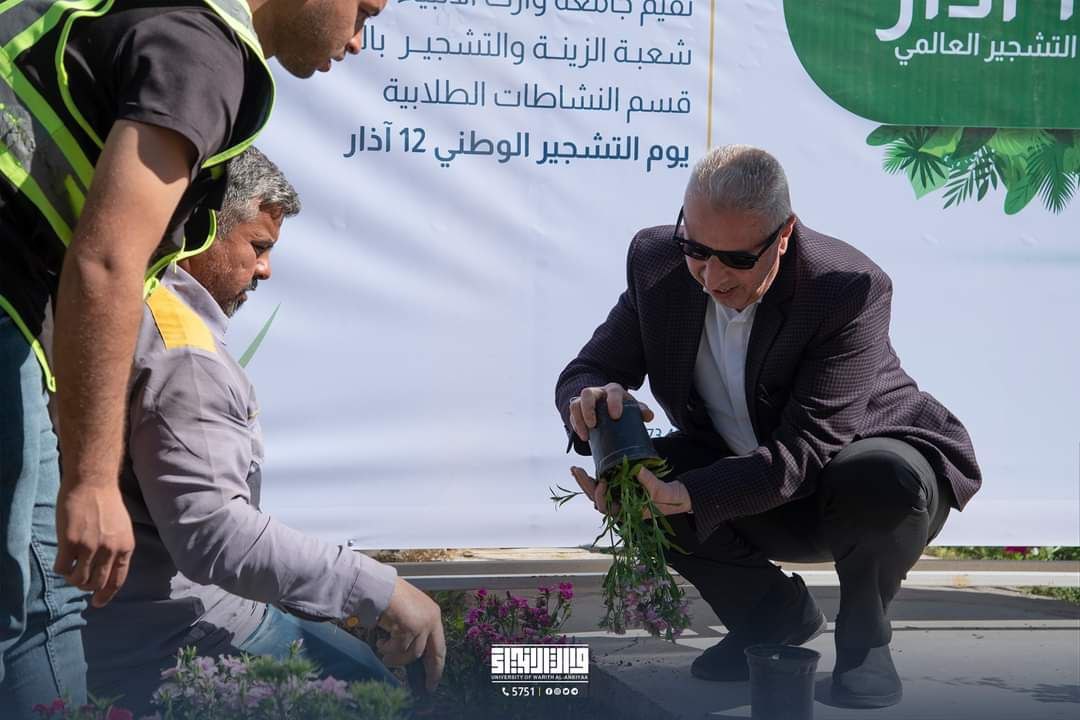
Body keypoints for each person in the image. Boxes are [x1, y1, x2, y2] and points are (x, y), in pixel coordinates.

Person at [0, 0, 443, 712]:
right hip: (173, 641)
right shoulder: (204, 46)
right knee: (39, 609)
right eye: (363, 10)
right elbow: (107, 261)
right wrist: (92, 482)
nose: (360, 40)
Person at [556, 145, 981, 709]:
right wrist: (591, 404)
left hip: (861, 483)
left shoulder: (846, 286)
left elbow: (806, 450)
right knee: (638, 485)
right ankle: (770, 617)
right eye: (696, 250)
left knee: (878, 474)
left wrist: (690, 494)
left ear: (783, 236)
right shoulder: (657, 263)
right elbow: (588, 369)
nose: (711, 277)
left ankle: (865, 643)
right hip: (751, 478)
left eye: (735, 259)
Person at [82, 147, 444, 712]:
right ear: (201, 230)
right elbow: (215, 533)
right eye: (258, 246)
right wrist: (381, 590)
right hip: (182, 634)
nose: (265, 269)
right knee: (381, 698)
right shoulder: (186, 359)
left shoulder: (144, 312)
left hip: (163, 623)